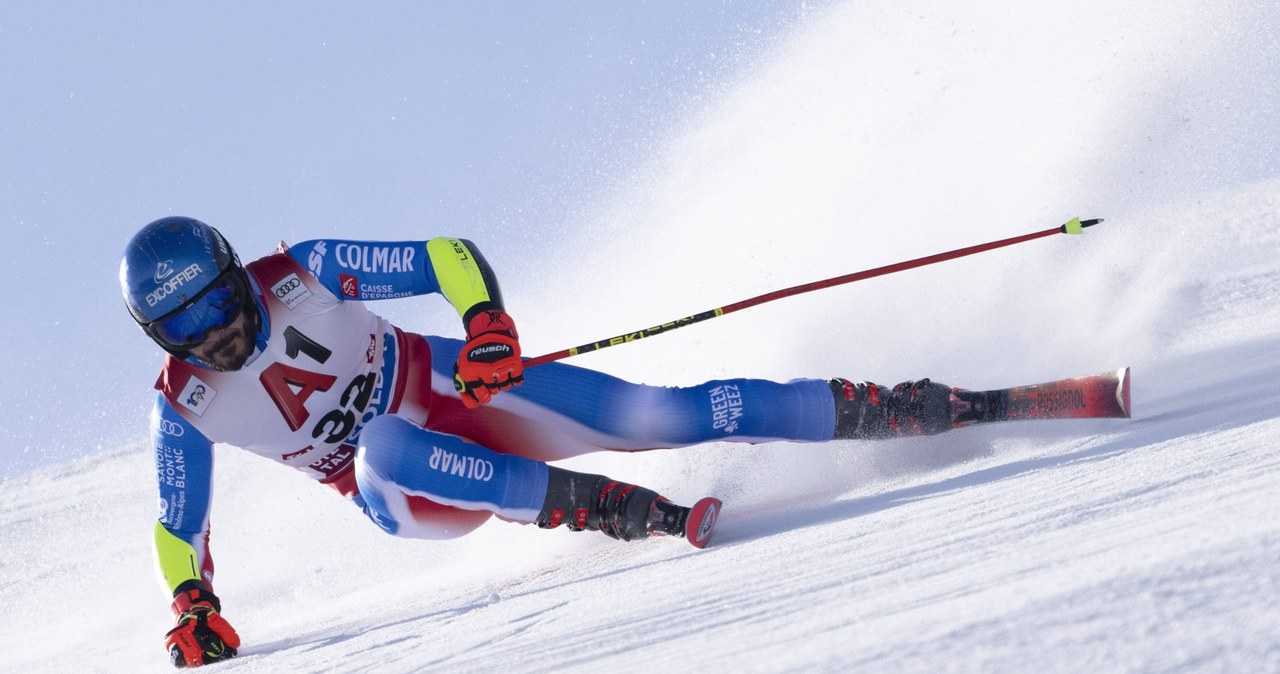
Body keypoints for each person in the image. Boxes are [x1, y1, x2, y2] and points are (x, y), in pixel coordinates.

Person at [121, 216, 957, 668]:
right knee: (381, 443)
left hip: (461, 387)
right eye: (182, 325)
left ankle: (879, 408)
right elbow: (175, 525)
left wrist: (485, 324)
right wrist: (191, 603)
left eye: (216, 301)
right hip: (412, 487)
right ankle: (600, 509)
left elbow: (443, 255)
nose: (215, 332)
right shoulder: (185, 406)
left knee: (658, 414)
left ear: (236, 275)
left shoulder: (304, 272)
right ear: (157, 335)